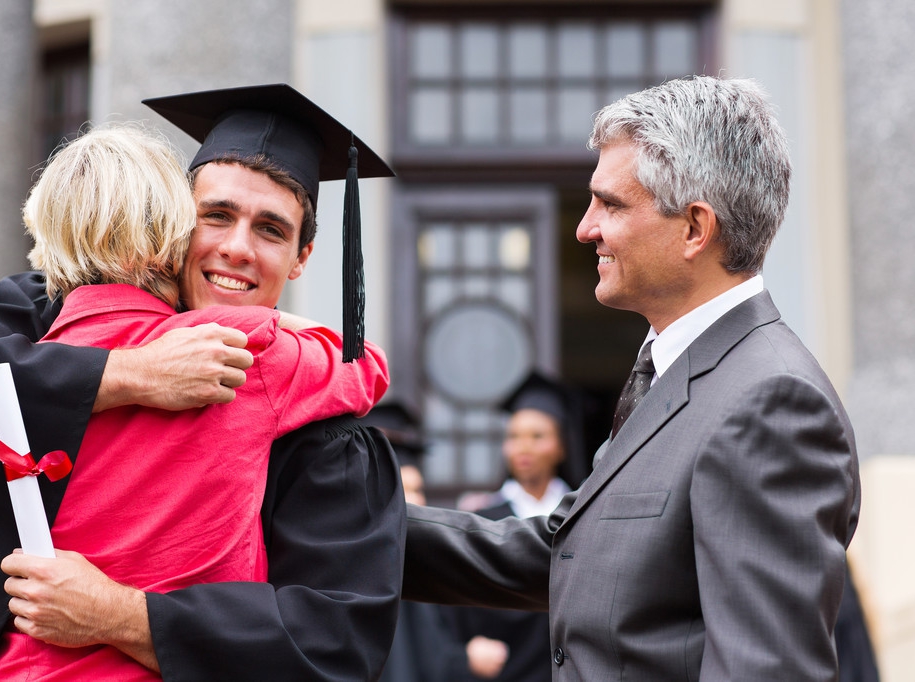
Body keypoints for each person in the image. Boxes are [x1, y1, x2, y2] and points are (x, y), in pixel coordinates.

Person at [0, 84, 402, 681]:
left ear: (301, 257)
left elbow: (334, 641)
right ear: (172, 225)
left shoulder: (331, 439)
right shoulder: (44, 306)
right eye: (216, 216)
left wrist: (123, 615)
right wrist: (124, 374)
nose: (236, 248)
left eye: (270, 230)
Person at [403, 75, 861, 680]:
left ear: (694, 228)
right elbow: (567, 553)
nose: (584, 227)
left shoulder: (771, 403)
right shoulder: (677, 374)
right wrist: (349, 518)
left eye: (611, 204)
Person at [444, 371, 578, 682]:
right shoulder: (485, 519)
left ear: (561, 446)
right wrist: (468, 647)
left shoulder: (579, 515)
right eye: (514, 436)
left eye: (537, 436)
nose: (523, 447)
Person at [363, 402, 507, 682]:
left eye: (419, 489)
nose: (417, 500)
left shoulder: (419, 559)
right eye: (406, 490)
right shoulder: (372, 569)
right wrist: (465, 660)